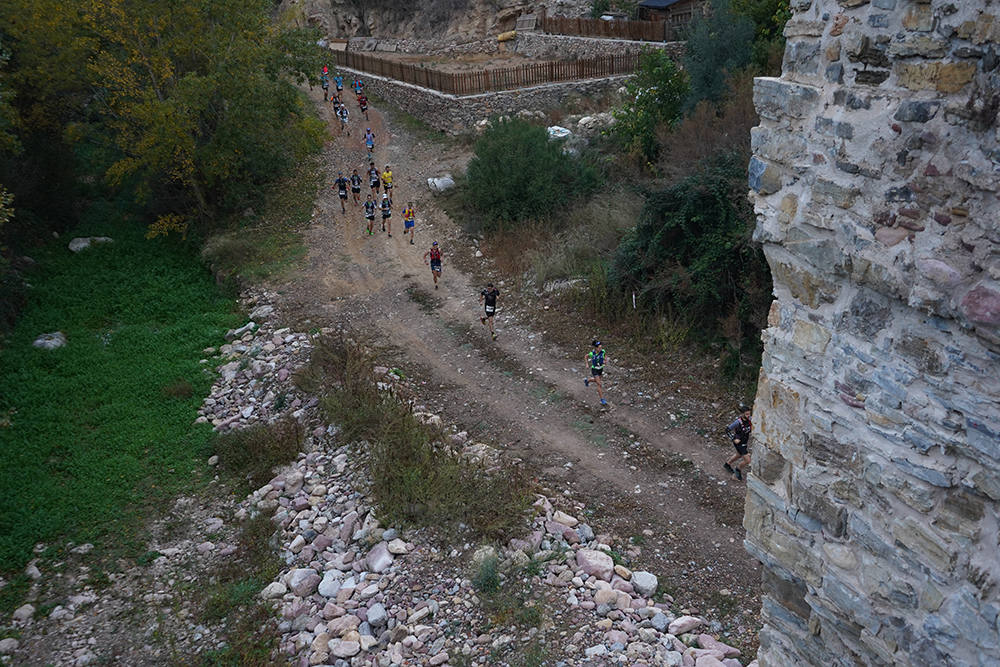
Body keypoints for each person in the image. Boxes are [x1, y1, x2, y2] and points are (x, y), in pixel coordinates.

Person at [723, 404, 753, 481]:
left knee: (739, 455)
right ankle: (737, 470)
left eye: (749, 414)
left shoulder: (750, 419)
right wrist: (733, 439)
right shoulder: (738, 422)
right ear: (742, 414)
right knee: (747, 460)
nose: (748, 415)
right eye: (746, 414)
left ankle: (727, 464)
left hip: (745, 441)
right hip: (739, 442)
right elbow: (727, 430)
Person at [584, 340, 607, 406]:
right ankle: (602, 399)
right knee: (599, 384)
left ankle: (587, 380)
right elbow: (586, 356)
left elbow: (605, 355)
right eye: (599, 348)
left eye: (601, 347)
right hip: (594, 370)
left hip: (600, 369)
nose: (600, 349)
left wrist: (605, 360)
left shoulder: (603, 351)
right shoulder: (592, 353)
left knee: (597, 381)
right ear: (596, 348)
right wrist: (587, 364)